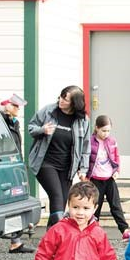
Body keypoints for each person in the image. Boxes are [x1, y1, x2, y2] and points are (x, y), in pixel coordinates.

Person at [28, 85, 91, 228]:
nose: (61, 100)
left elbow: (86, 147)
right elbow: (31, 127)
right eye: (61, 97)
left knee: (62, 201)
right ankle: (58, 235)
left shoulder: (83, 120)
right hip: (45, 162)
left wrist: (83, 169)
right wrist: (42, 130)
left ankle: (51, 237)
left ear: (75, 103)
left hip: (67, 168)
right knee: (56, 197)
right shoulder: (49, 111)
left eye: (65, 99)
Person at [0, 93, 35, 253]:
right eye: (14, 106)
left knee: (17, 200)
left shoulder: (15, 122)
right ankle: (14, 240)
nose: (17, 109)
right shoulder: (1, 120)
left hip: (15, 164)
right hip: (6, 165)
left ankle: (16, 241)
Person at [87, 115, 130, 241]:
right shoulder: (90, 141)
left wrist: (117, 170)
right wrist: (84, 174)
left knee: (116, 205)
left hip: (109, 179)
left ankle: (125, 230)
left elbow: (116, 157)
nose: (106, 133)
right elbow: (85, 158)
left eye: (108, 131)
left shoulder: (112, 141)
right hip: (95, 180)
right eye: (103, 130)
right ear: (96, 128)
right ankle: (92, 230)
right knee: (96, 206)